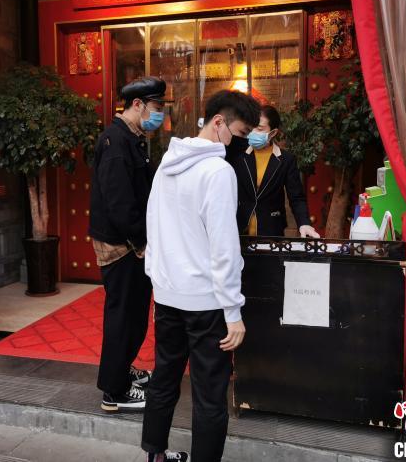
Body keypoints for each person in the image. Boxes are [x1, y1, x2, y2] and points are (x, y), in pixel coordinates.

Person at [142, 90, 260, 462]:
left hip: (168, 295)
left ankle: (155, 455)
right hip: (206, 303)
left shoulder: (167, 162)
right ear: (219, 122)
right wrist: (233, 311)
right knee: (209, 394)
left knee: (164, 378)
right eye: (241, 134)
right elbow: (224, 247)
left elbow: (153, 225)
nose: (244, 143)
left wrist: (157, 281)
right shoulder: (218, 171)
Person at [89, 76, 170, 412]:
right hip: (121, 246)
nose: (160, 115)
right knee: (124, 317)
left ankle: (121, 370)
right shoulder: (116, 142)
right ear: (138, 105)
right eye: (156, 107)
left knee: (133, 315)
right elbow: (120, 203)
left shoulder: (131, 138)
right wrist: (142, 242)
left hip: (131, 243)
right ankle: (115, 391)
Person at [231, 104, 320, 238]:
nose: (253, 132)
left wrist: (304, 223)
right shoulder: (238, 155)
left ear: (273, 133)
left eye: (259, 128)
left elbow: (296, 197)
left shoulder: (286, 160)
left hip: (271, 231)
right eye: (251, 126)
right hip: (239, 230)